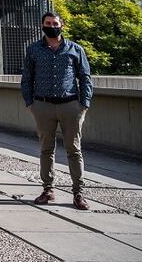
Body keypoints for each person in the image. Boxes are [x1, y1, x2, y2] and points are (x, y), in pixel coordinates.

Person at [21, 11, 93, 211]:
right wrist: (30, 103)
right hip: (42, 105)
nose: (51, 26)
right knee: (46, 149)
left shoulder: (75, 49)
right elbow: (27, 78)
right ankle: (48, 189)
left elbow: (85, 78)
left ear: (62, 25)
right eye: (47, 23)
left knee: (74, 149)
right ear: (42, 25)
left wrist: (84, 104)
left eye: (55, 23)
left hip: (70, 105)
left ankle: (78, 193)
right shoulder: (34, 50)